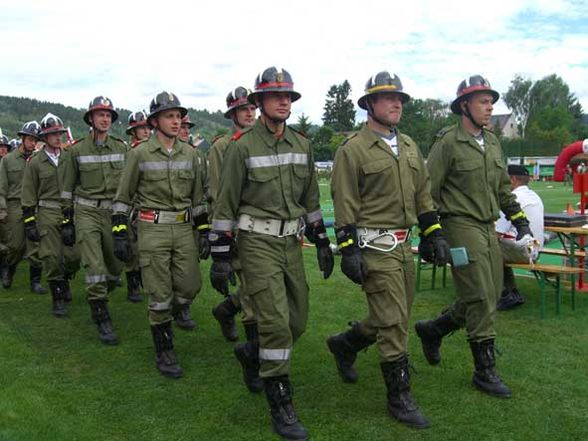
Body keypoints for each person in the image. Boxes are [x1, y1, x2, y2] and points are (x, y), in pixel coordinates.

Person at [210, 67, 334, 440]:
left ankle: (253, 353)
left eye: (289, 96)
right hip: (256, 245)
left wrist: (322, 240)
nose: (284, 101)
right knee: (277, 324)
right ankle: (280, 401)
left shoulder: (302, 144)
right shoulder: (241, 147)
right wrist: (220, 254)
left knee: (297, 320)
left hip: (291, 245)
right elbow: (226, 202)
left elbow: (311, 199)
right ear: (259, 102)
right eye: (276, 95)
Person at [328, 71, 450, 429]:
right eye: (387, 98)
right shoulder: (353, 149)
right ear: (369, 105)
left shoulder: (410, 145)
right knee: (394, 322)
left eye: (400, 98)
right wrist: (348, 250)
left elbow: (423, 195)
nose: (397, 103)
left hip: (403, 247)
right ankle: (399, 396)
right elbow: (345, 201)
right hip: (373, 246)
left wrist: (433, 234)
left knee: (391, 316)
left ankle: (347, 344)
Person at [414, 75, 532, 399]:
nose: (489, 106)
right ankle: (485, 371)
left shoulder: (493, 143)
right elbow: (427, 190)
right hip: (458, 224)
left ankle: (434, 329)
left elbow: (502, 188)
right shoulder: (447, 142)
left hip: (486, 225)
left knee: (490, 294)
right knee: (480, 295)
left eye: (491, 101)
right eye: (482, 101)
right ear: (464, 105)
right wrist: (429, 233)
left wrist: (519, 221)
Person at [113, 91, 208, 378]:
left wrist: (203, 230)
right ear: (155, 121)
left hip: (182, 229)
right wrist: (120, 232)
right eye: (170, 116)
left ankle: (171, 313)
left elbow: (199, 199)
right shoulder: (139, 153)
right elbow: (123, 197)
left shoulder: (191, 154)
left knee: (190, 287)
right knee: (159, 294)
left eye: (179, 116)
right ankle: (164, 349)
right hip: (151, 229)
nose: (176, 121)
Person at [60, 96, 128, 345]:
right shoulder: (76, 150)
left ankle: (100, 295)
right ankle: (101, 315)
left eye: (108, 115)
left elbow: (128, 186)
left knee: (114, 267)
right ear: (90, 118)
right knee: (94, 267)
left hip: (113, 213)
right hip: (86, 212)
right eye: (100, 114)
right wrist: (67, 221)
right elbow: (66, 189)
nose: (105, 119)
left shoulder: (122, 148)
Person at [208, 87, 257, 345]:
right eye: (243, 110)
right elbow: (217, 194)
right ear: (232, 115)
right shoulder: (222, 147)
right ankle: (254, 353)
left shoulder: (264, 142)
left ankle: (226, 309)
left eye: (252, 108)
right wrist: (223, 239)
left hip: (265, 229)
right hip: (237, 229)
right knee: (253, 287)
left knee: (262, 285)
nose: (249, 114)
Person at [21, 113, 80, 316]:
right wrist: (30, 222)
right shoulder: (35, 162)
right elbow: (28, 192)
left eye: (59, 133)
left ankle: (65, 279)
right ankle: (57, 296)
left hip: (69, 210)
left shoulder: (69, 157)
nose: (58, 137)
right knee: (52, 257)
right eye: (53, 134)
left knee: (73, 256)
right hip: (46, 212)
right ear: (44, 137)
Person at [0, 121, 46, 293]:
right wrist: (2, 209)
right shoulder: (7, 160)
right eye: (30, 139)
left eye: (36, 140)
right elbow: (1, 187)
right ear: (22, 138)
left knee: (35, 244)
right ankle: (9, 269)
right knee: (16, 246)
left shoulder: (39, 160)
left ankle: (35, 281)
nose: (33, 143)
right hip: (15, 205)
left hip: (35, 206)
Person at [495, 164, 544, 310]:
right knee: (498, 248)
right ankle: (511, 291)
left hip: (523, 250)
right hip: (535, 249)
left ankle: (502, 294)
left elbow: (496, 232)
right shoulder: (535, 196)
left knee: (485, 246)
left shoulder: (512, 199)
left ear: (512, 179)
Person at [123, 110, 151, 303]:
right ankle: (132, 284)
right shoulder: (128, 153)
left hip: (149, 205)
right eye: (141, 128)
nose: (146, 131)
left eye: (147, 127)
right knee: (133, 249)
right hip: (132, 207)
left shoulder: (151, 151)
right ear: (133, 131)